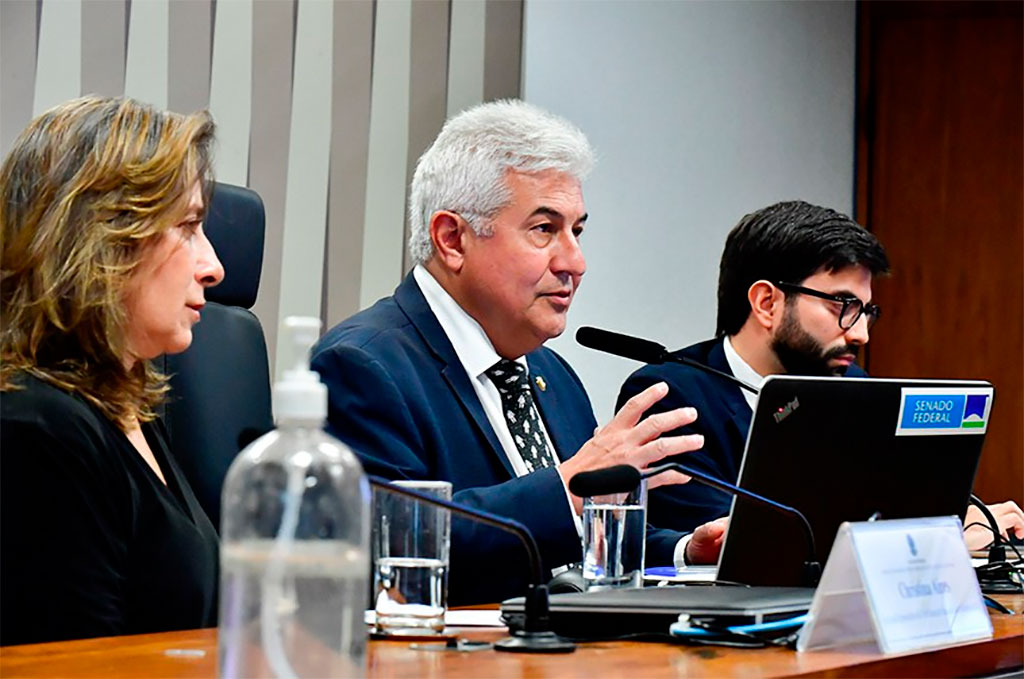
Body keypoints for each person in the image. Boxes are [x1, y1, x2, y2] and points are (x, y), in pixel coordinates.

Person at [312, 100, 721, 605]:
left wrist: (684, 551)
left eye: (578, 231)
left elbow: (574, 543)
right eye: (544, 229)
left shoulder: (552, 373)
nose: (576, 261)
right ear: (452, 239)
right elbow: (392, 551)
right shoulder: (362, 366)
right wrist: (569, 486)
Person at [617, 200, 1024, 550]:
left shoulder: (857, 390)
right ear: (766, 303)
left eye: (867, 312)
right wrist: (941, 537)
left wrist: (963, 515)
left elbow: (892, 504)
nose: (861, 333)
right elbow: (752, 536)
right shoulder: (671, 396)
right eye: (843, 306)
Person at [0, 96, 225, 645]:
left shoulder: (125, 402)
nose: (214, 267)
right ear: (106, 238)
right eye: (189, 226)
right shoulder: (37, 429)